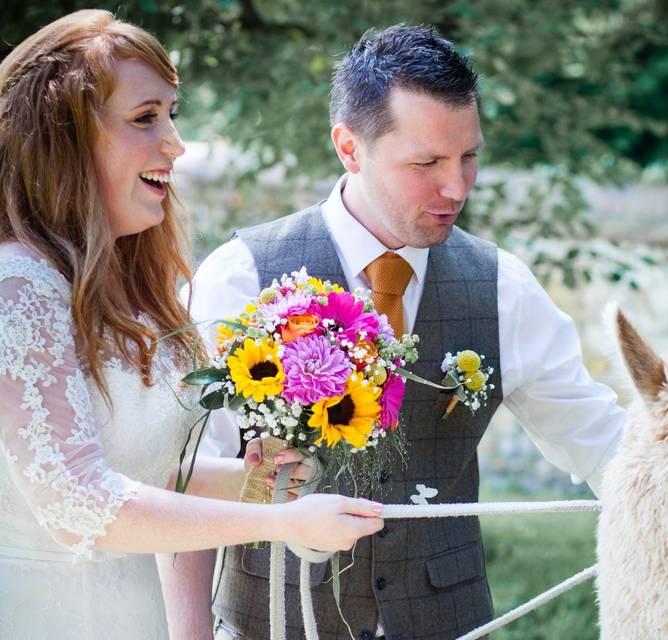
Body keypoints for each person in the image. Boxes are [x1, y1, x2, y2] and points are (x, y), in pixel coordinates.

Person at [178, 24, 627, 640]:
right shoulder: (241, 278)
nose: (457, 187)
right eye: (427, 163)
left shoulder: (503, 288)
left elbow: (606, 443)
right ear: (349, 148)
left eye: (469, 156)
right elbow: (186, 482)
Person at [0, 10, 384, 639]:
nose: (175, 143)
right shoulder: (17, 289)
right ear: (62, 137)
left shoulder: (125, 290)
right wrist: (279, 525)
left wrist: (263, 485)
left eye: (172, 114)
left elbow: (149, 471)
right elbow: (78, 504)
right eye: (146, 118)